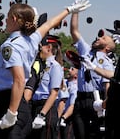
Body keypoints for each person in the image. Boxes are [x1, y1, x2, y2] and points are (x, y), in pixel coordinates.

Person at [0, 0, 91, 139]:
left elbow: (20, 80)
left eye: (8, 17)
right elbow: (49, 24)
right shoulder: (31, 39)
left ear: (14, 18)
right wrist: (69, 10)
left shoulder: (11, 46)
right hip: (14, 102)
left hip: (10, 104)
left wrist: (11, 113)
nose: (5, 21)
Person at [70, 10, 115, 139]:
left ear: (107, 47)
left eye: (103, 38)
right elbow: (74, 31)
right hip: (80, 99)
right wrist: (75, 12)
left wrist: (104, 105)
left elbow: (107, 86)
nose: (99, 38)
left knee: (94, 135)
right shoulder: (86, 51)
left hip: (95, 100)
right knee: (79, 134)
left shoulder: (106, 63)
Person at [29, 35, 64, 139]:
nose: (38, 49)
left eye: (41, 47)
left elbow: (54, 93)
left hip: (46, 109)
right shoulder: (39, 64)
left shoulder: (55, 66)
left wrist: (42, 115)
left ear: (48, 47)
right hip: (34, 106)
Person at [58, 66, 78, 139]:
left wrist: (63, 117)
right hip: (59, 115)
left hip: (67, 118)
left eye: (72, 69)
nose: (69, 70)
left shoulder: (75, 87)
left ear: (76, 75)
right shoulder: (65, 82)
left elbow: (72, 105)